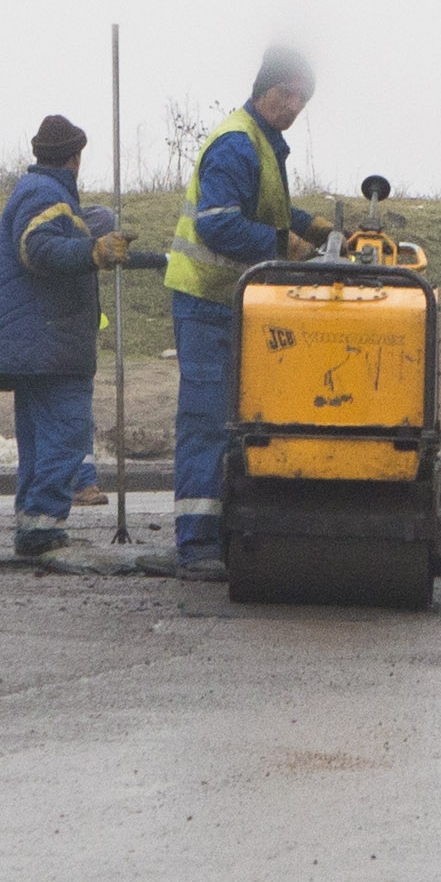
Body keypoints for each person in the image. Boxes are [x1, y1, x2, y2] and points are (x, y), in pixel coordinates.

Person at [147, 49, 329, 581]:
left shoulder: (264, 144)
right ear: (262, 90)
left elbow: (262, 211)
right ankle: (197, 544)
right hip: (207, 301)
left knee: (237, 421)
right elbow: (218, 225)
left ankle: (226, 533)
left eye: (303, 99)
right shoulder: (236, 143)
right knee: (206, 421)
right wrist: (284, 242)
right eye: (287, 95)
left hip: (237, 304)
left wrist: (308, 225)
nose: (294, 107)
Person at [0, 114, 160, 559]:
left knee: (39, 439)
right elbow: (38, 248)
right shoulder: (47, 194)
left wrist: (148, 259)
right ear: (76, 157)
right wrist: (93, 251)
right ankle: (42, 527)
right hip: (50, 344)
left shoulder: (36, 191)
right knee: (68, 434)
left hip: (33, 344)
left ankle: (34, 523)